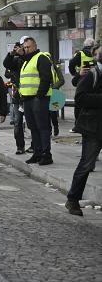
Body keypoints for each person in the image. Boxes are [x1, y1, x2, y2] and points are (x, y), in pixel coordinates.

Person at [65, 44, 102, 216]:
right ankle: (73, 200)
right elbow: (80, 98)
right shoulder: (92, 75)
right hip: (94, 127)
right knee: (86, 164)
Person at [20, 37, 54, 165]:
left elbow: (46, 78)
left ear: (35, 46)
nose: (27, 49)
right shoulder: (26, 61)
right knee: (33, 127)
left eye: (29, 47)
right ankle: (37, 153)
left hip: (39, 99)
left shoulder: (41, 58)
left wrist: (39, 95)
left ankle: (46, 154)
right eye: (25, 47)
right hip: (28, 99)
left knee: (43, 127)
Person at [3, 40, 27, 154]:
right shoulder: (15, 60)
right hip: (18, 96)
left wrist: (23, 54)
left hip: (30, 96)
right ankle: (20, 146)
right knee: (17, 122)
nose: (18, 49)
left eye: (21, 47)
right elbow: (6, 65)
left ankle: (35, 146)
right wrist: (11, 54)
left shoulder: (28, 58)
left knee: (32, 123)